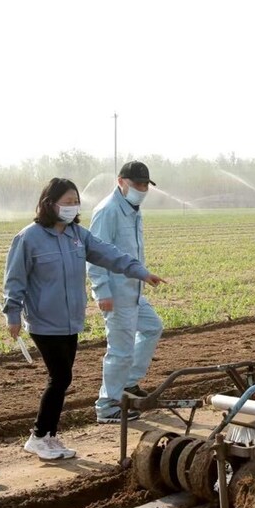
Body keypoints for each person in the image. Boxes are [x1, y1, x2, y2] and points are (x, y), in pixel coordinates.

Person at [2, 178, 166, 459]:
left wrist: (140, 271)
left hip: (70, 320)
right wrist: (12, 312)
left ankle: (49, 436)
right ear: (49, 203)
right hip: (44, 321)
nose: (72, 207)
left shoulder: (77, 235)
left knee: (62, 379)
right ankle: (40, 436)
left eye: (75, 201)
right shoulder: (29, 238)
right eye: (66, 202)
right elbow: (14, 279)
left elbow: (110, 254)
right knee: (60, 377)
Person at [88, 160, 165, 423]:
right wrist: (102, 292)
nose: (142, 189)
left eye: (145, 185)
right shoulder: (108, 211)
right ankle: (107, 405)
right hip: (116, 293)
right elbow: (94, 255)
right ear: (121, 182)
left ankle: (128, 383)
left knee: (152, 327)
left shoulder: (132, 209)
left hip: (133, 290)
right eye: (137, 184)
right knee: (119, 349)